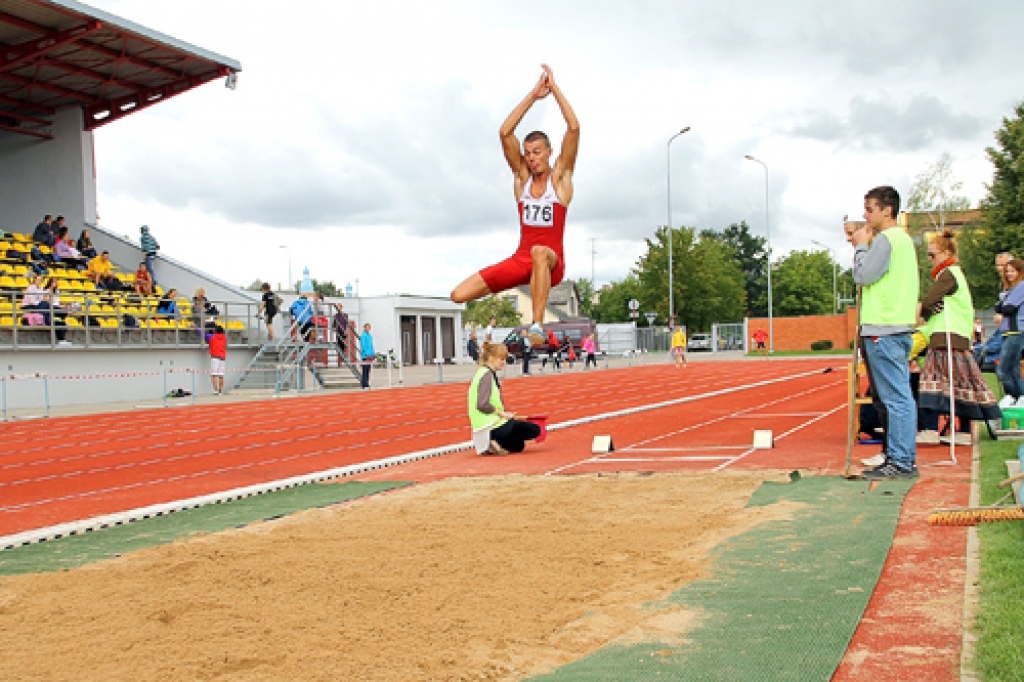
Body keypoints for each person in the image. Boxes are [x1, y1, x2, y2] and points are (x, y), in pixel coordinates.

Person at [450, 64, 580, 348]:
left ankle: (537, 325)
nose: (532, 158)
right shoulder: (522, 180)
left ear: (549, 153)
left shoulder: (560, 180)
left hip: (550, 261)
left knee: (539, 252)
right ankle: (515, 294)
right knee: (458, 295)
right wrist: (533, 96)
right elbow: (505, 132)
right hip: (522, 261)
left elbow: (573, 127)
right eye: (528, 154)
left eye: (537, 152)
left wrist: (555, 89)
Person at [851, 185, 919, 479]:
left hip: (885, 328)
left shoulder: (888, 240)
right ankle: (899, 457)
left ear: (886, 210)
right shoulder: (901, 241)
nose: (865, 214)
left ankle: (902, 461)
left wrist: (861, 246)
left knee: (895, 398)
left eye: (869, 209)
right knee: (898, 396)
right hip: (895, 326)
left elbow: (863, 275)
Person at [916, 230, 1001, 445]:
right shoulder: (956, 275)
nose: (930, 259)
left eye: (932, 255)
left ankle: (931, 428)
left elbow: (928, 302)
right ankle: (962, 430)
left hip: (946, 337)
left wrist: (925, 312)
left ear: (946, 253)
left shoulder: (948, 274)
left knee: (935, 383)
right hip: (958, 335)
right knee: (960, 385)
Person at [467, 341, 541, 455]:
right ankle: (491, 439)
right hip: (491, 424)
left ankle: (493, 442)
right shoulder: (487, 375)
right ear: (491, 358)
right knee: (534, 430)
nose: (504, 362)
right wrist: (503, 414)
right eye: (501, 359)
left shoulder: (481, 372)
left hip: (482, 425)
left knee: (518, 446)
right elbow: (482, 404)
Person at [994, 258, 1024, 406]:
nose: (1009, 274)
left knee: (1003, 370)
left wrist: (1002, 306)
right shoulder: (1010, 288)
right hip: (1007, 332)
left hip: (1016, 331)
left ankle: (1013, 397)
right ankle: (1020, 399)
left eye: (1013, 271)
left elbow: (1007, 308)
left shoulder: (1021, 287)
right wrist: (1002, 306)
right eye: (1008, 271)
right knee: (1013, 370)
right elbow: (998, 307)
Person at [201, 324, 227, 395]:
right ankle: (220, 391)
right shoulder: (224, 338)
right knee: (221, 375)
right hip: (223, 357)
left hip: (215, 357)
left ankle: (215, 389)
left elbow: (202, 334)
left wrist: (196, 328)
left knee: (214, 374)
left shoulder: (212, 337)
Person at [359, 322, 375, 389]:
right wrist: (366, 354)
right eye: (367, 327)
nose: (368, 329)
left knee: (368, 370)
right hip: (365, 356)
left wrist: (373, 354)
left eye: (369, 328)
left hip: (370, 356)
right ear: (365, 328)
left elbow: (371, 346)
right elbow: (363, 346)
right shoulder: (363, 336)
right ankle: (364, 384)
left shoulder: (370, 336)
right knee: (365, 370)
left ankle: (367, 383)